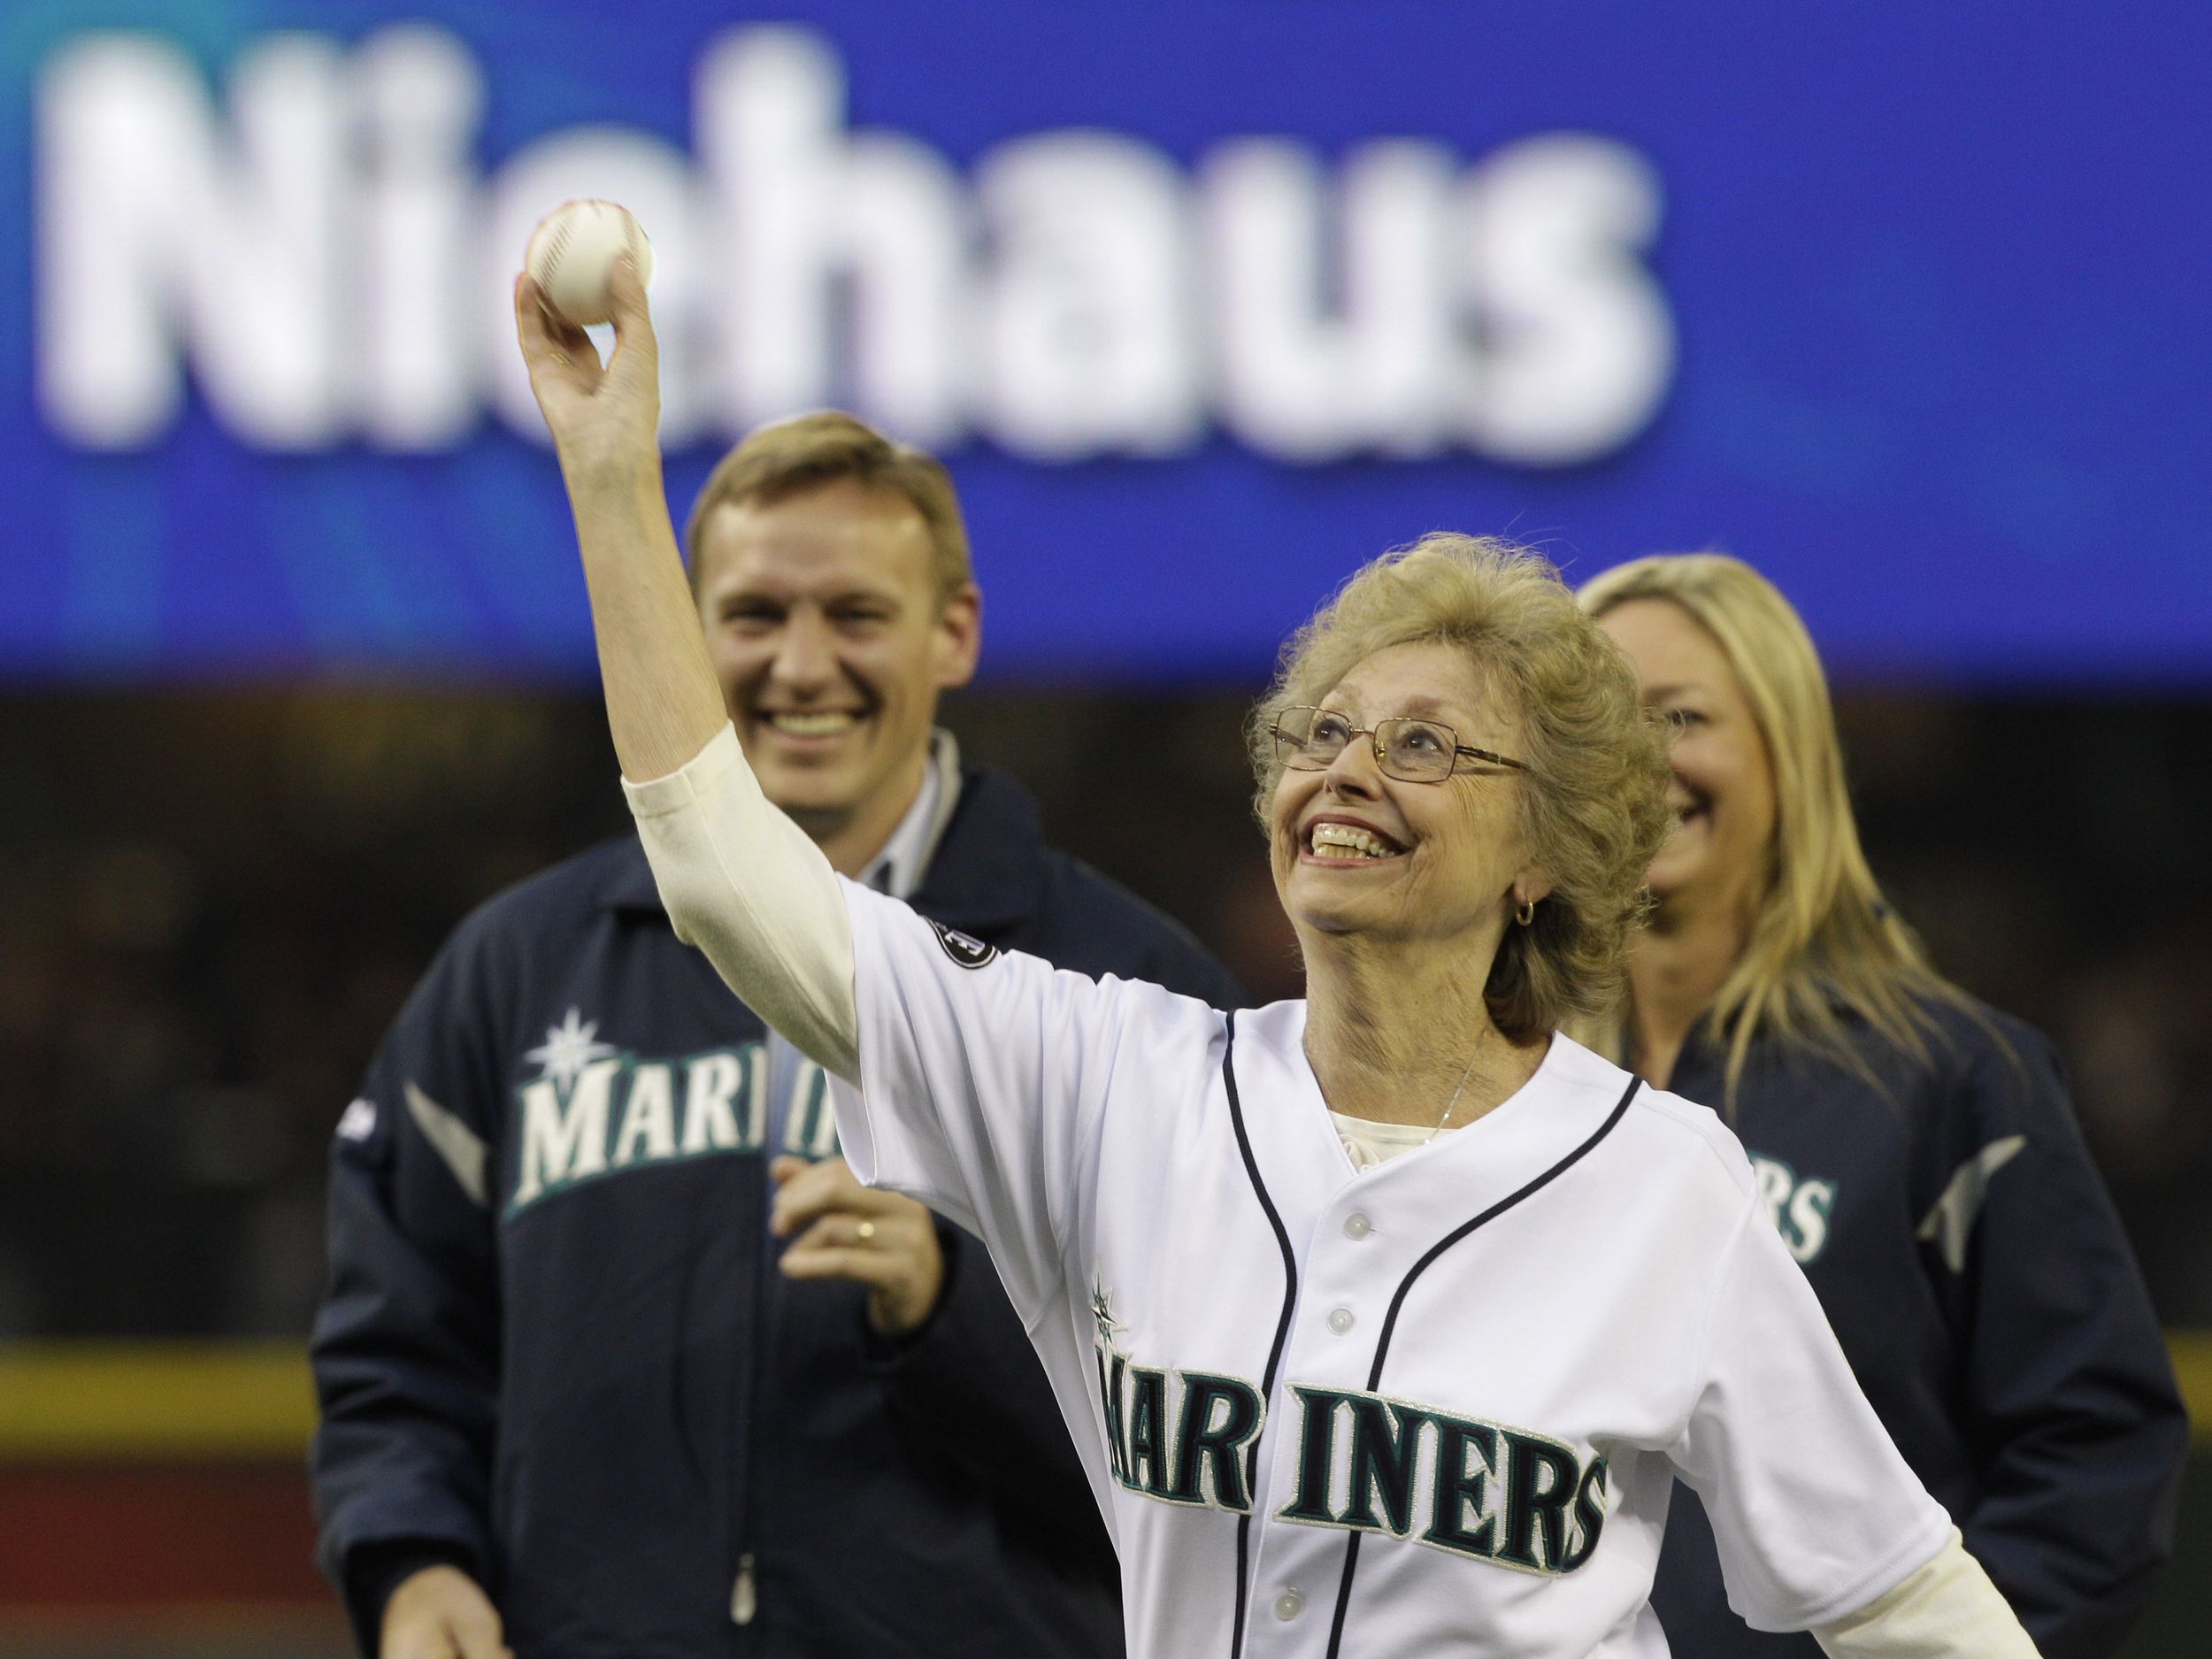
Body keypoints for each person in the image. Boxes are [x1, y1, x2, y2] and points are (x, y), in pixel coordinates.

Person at [513, 252, 2045, 1658]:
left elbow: (1902, 1595)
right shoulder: (1116, 1082)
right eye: (1323, 734)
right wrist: (608, 476)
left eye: (1427, 745)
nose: (1347, 773)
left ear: (1543, 859)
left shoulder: (1669, 1187)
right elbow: (726, 879)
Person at [309, 408, 1241, 1659]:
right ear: (687, 635)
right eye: (753, 616)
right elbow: (399, 1342)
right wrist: (414, 1556)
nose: (802, 666)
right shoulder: (521, 965)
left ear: (952, 632)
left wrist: (950, 1304)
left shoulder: (1121, 981)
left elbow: (1230, 1446)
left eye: (856, 614)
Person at [1578, 553, 2186, 1659]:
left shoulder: (1950, 1079)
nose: (1640, 760)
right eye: (1597, 722)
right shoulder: (1479, 1085)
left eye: (1685, 718)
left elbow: (2093, 1459)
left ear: (1789, 753)